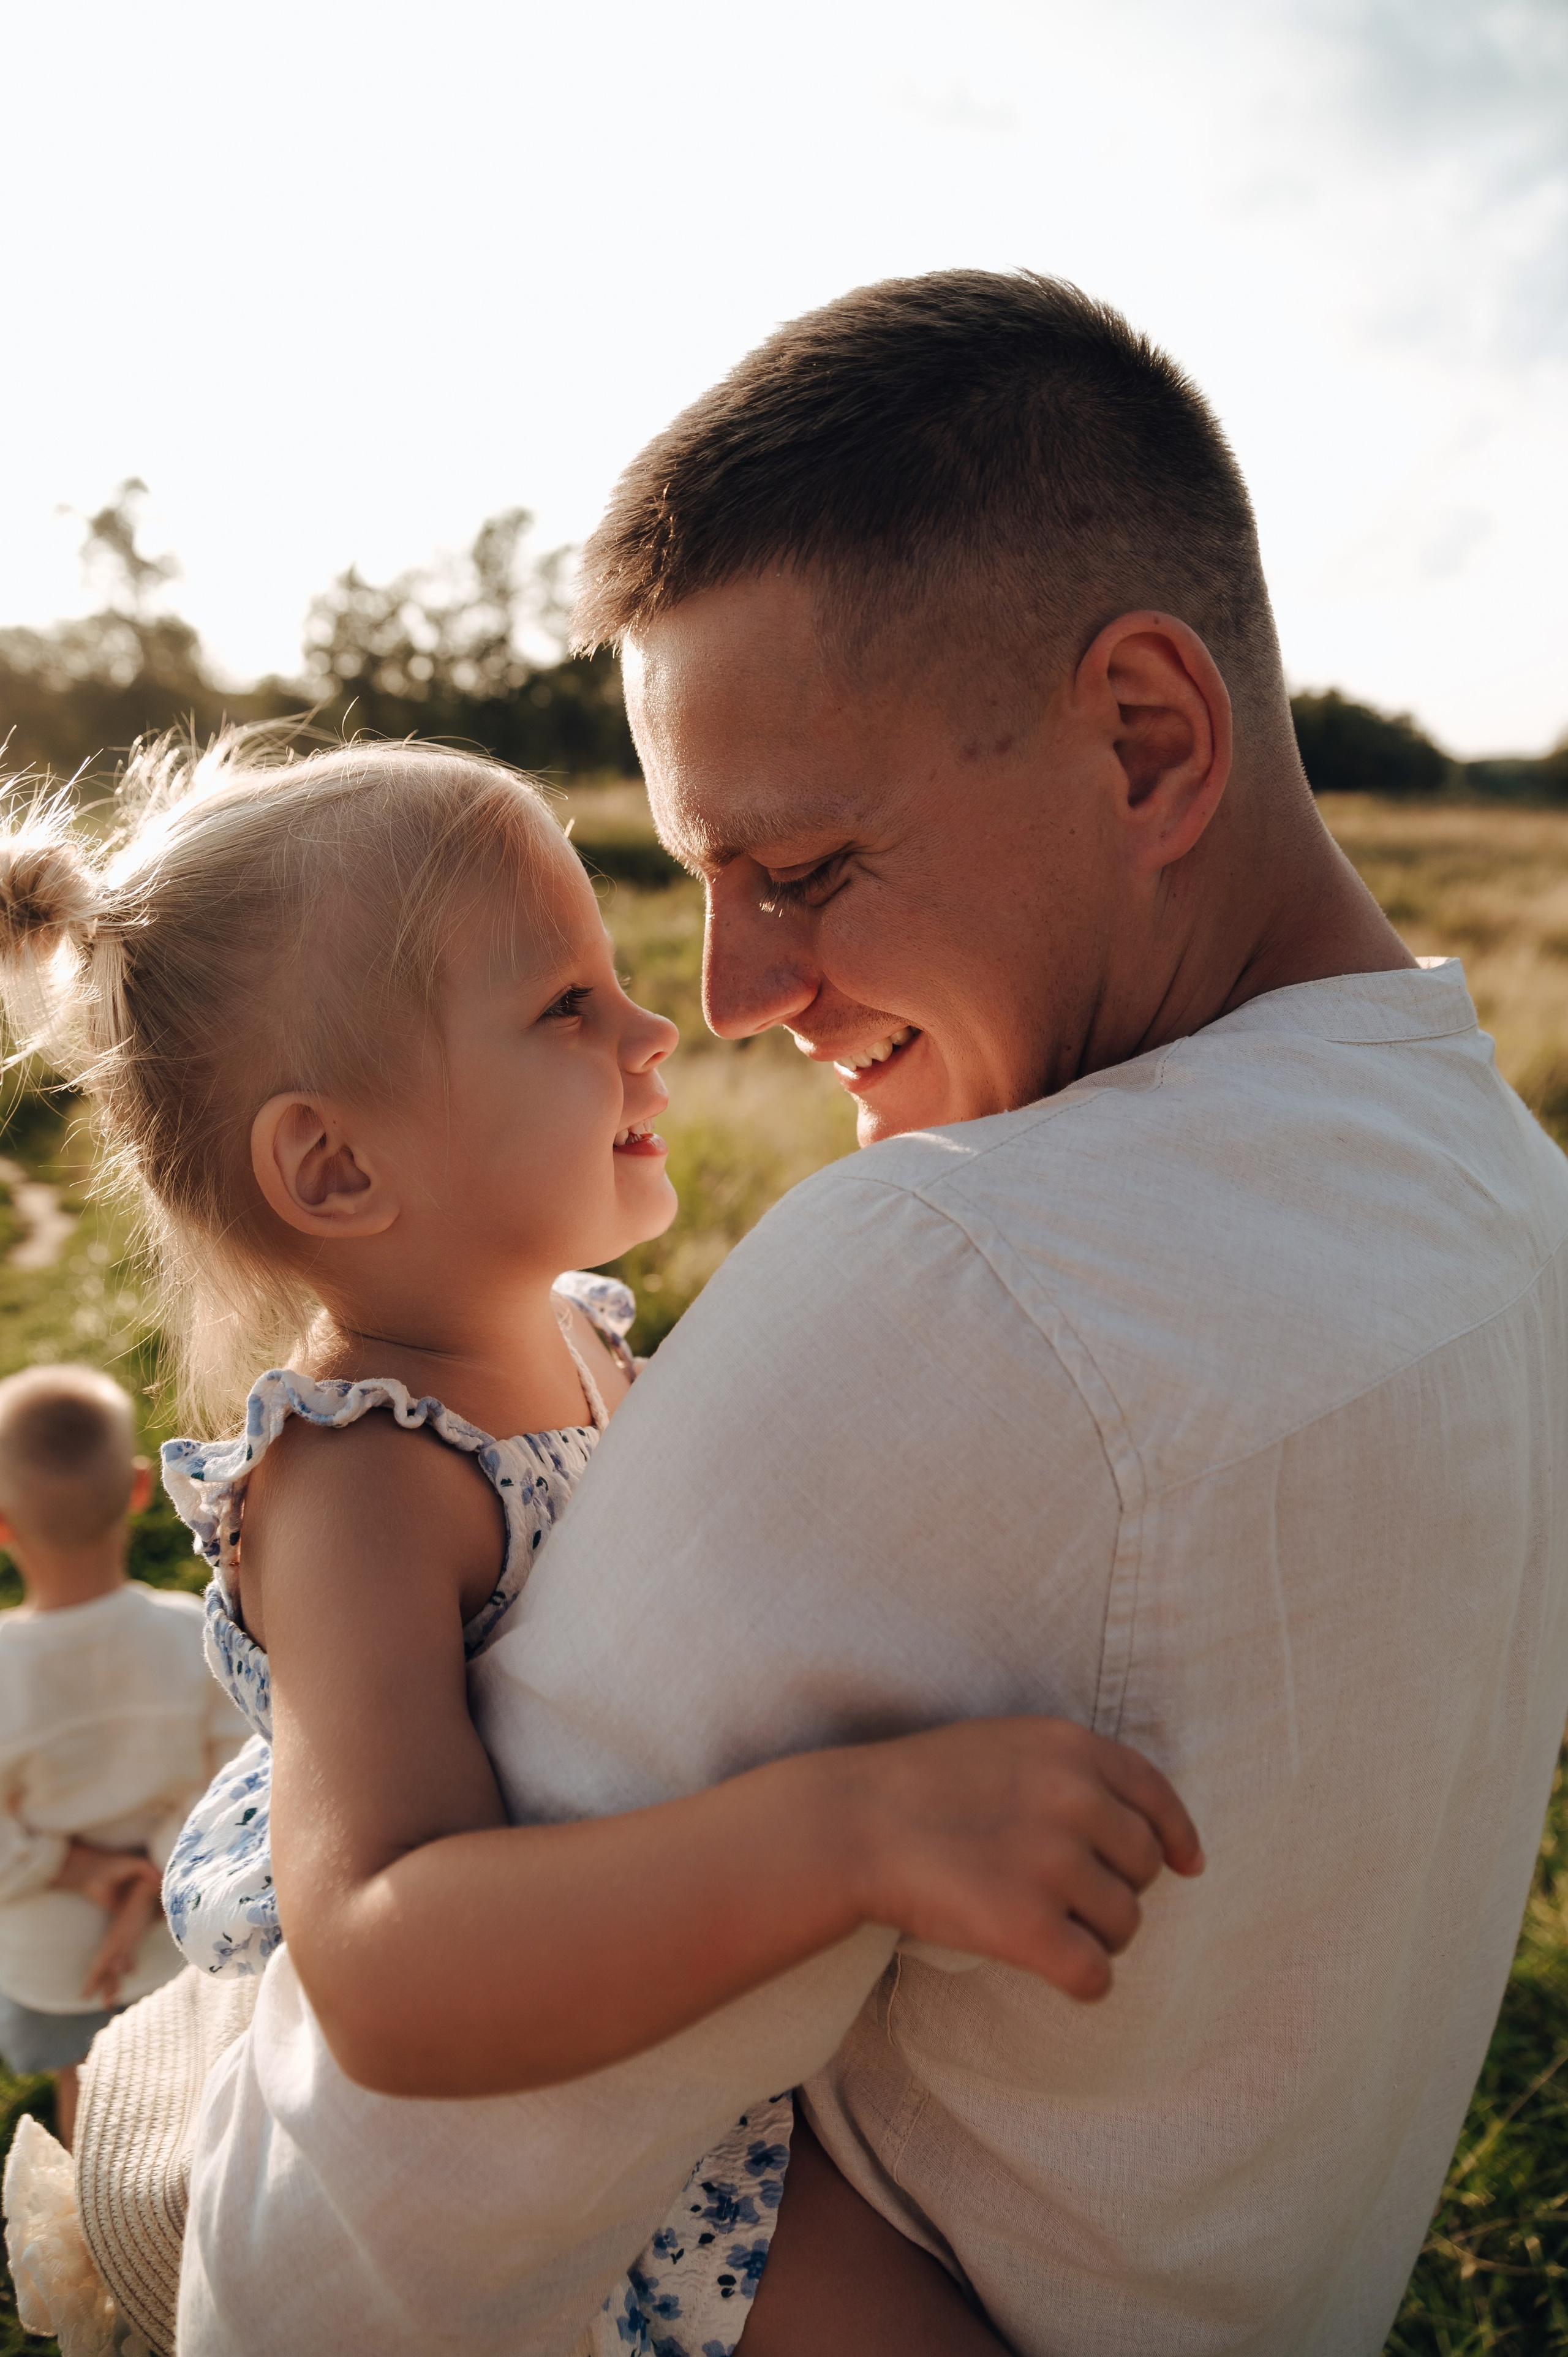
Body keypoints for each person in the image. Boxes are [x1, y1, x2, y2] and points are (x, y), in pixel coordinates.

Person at [0, 734, 1199, 2357]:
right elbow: (382, 1966)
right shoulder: (361, 1483)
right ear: (337, 1166)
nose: (655, 1033)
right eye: (568, 1006)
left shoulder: (575, 1337)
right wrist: (858, 1828)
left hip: (687, 2025)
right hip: (560, 2166)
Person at [0, 1365, 243, 2148]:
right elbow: (232, 1788)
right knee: (196, 2088)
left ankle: (97, 2249)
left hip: (49, 1964)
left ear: (2, 1525)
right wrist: (147, 1883)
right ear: (141, 1488)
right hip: (177, 1941)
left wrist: (76, 1869)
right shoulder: (190, 1636)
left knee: (86, 2095)